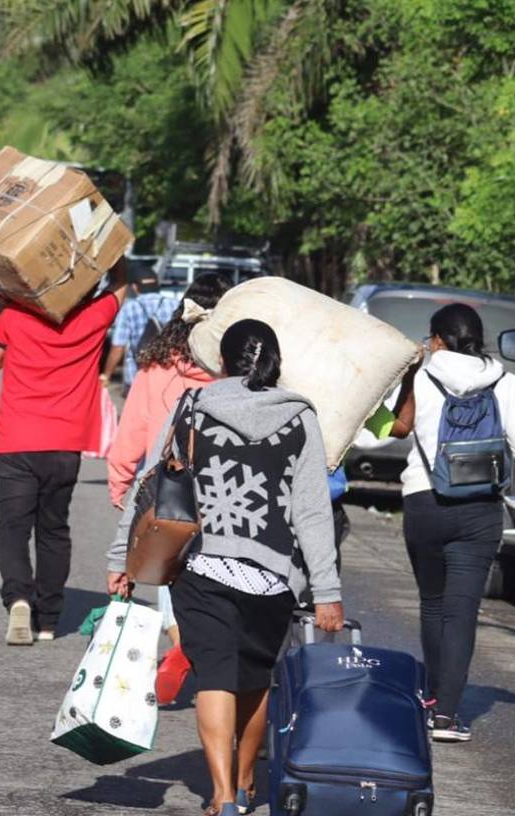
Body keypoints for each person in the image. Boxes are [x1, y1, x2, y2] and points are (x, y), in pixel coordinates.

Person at [109, 319, 343, 816]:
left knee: (215, 674)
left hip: (204, 565)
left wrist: (119, 557)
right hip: (273, 576)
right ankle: (246, 776)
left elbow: (150, 485)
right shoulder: (299, 418)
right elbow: (312, 511)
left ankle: (223, 797)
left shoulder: (193, 406)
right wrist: (326, 589)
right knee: (255, 678)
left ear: (223, 360)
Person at [388, 303, 515, 743]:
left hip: (424, 501)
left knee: (432, 603)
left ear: (438, 340)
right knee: (462, 611)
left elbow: (393, 428)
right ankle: (447, 715)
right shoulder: (504, 382)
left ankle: (430, 697)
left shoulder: (421, 377)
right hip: (480, 508)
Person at [0, 260, 129, 645]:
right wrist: (114, 258)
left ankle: (18, 599)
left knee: (12, 528)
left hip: (17, 441)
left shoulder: (15, 316)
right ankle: (48, 618)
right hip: (65, 444)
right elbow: (124, 285)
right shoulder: (92, 316)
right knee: (53, 528)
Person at [105, 273, 231, 703]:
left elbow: (133, 432)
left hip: (166, 490)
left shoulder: (158, 365)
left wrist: (121, 485)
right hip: (223, 491)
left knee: (168, 575)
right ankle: (203, 652)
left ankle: (182, 646)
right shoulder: (231, 371)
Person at [101, 264, 180, 395]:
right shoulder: (175, 304)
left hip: (137, 376)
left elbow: (118, 347)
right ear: (157, 284)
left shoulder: (130, 308)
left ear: (135, 287)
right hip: (169, 374)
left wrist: (107, 375)